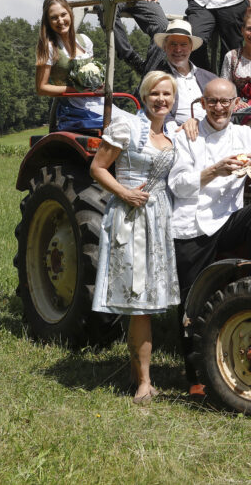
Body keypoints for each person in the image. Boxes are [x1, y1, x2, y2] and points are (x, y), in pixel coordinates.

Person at [168, 78, 251, 394]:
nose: (219, 108)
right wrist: (214, 170)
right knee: (190, 301)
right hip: (193, 224)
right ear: (202, 104)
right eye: (212, 102)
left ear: (235, 103)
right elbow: (179, 185)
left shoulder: (242, 134)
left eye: (225, 101)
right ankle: (195, 376)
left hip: (226, 221)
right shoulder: (187, 135)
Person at [89, 71, 181, 405]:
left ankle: (134, 373)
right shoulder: (126, 126)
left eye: (167, 94)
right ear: (144, 96)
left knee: (144, 301)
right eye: (155, 93)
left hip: (159, 218)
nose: (161, 100)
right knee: (139, 302)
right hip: (131, 217)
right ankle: (144, 383)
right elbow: (98, 168)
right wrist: (125, 192)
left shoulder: (171, 132)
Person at [35, 0, 108, 131]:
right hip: (74, 109)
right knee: (121, 124)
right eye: (54, 18)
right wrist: (75, 90)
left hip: (97, 101)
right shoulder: (49, 47)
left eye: (63, 15)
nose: (60, 21)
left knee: (135, 122)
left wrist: (98, 84)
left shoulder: (84, 41)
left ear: (70, 14)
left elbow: (92, 74)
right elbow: (41, 88)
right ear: (48, 22)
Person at [154, 19, 217, 129]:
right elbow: (153, 109)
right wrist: (177, 130)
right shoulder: (157, 78)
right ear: (165, 47)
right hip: (177, 131)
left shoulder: (210, 78)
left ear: (191, 47)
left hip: (212, 130)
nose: (178, 49)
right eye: (173, 44)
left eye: (183, 44)